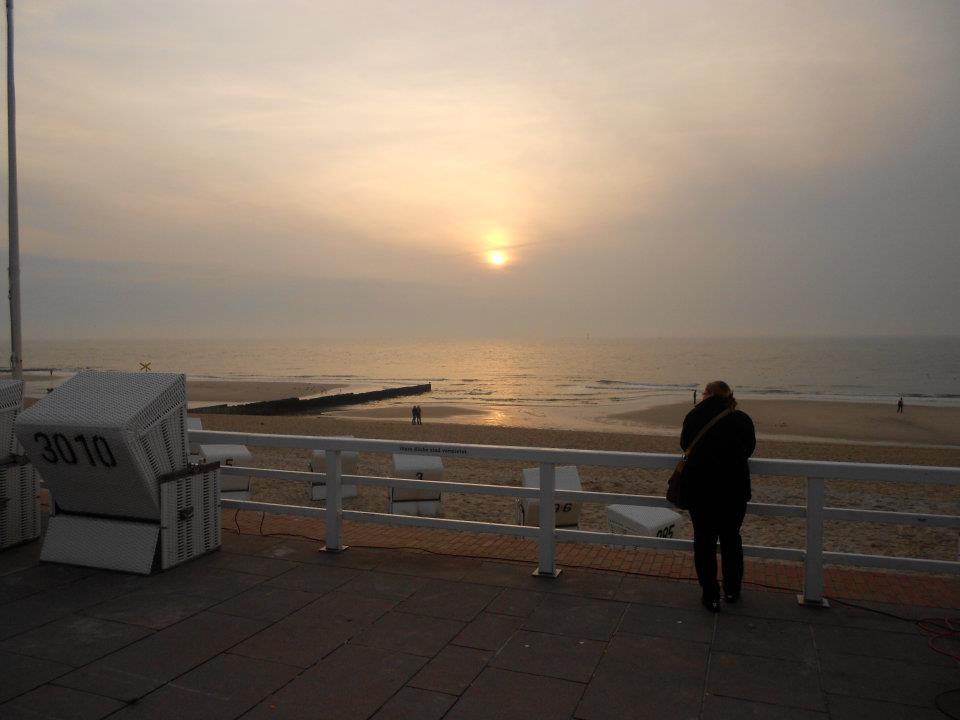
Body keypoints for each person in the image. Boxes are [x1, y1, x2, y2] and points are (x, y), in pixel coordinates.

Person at [680, 380, 756, 612]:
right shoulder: (741, 418)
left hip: (700, 491)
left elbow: (685, 445)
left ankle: (711, 595)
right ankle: (732, 590)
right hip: (733, 490)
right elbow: (750, 448)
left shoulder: (694, 417)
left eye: (703, 392)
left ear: (709, 394)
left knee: (704, 542)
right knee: (731, 540)